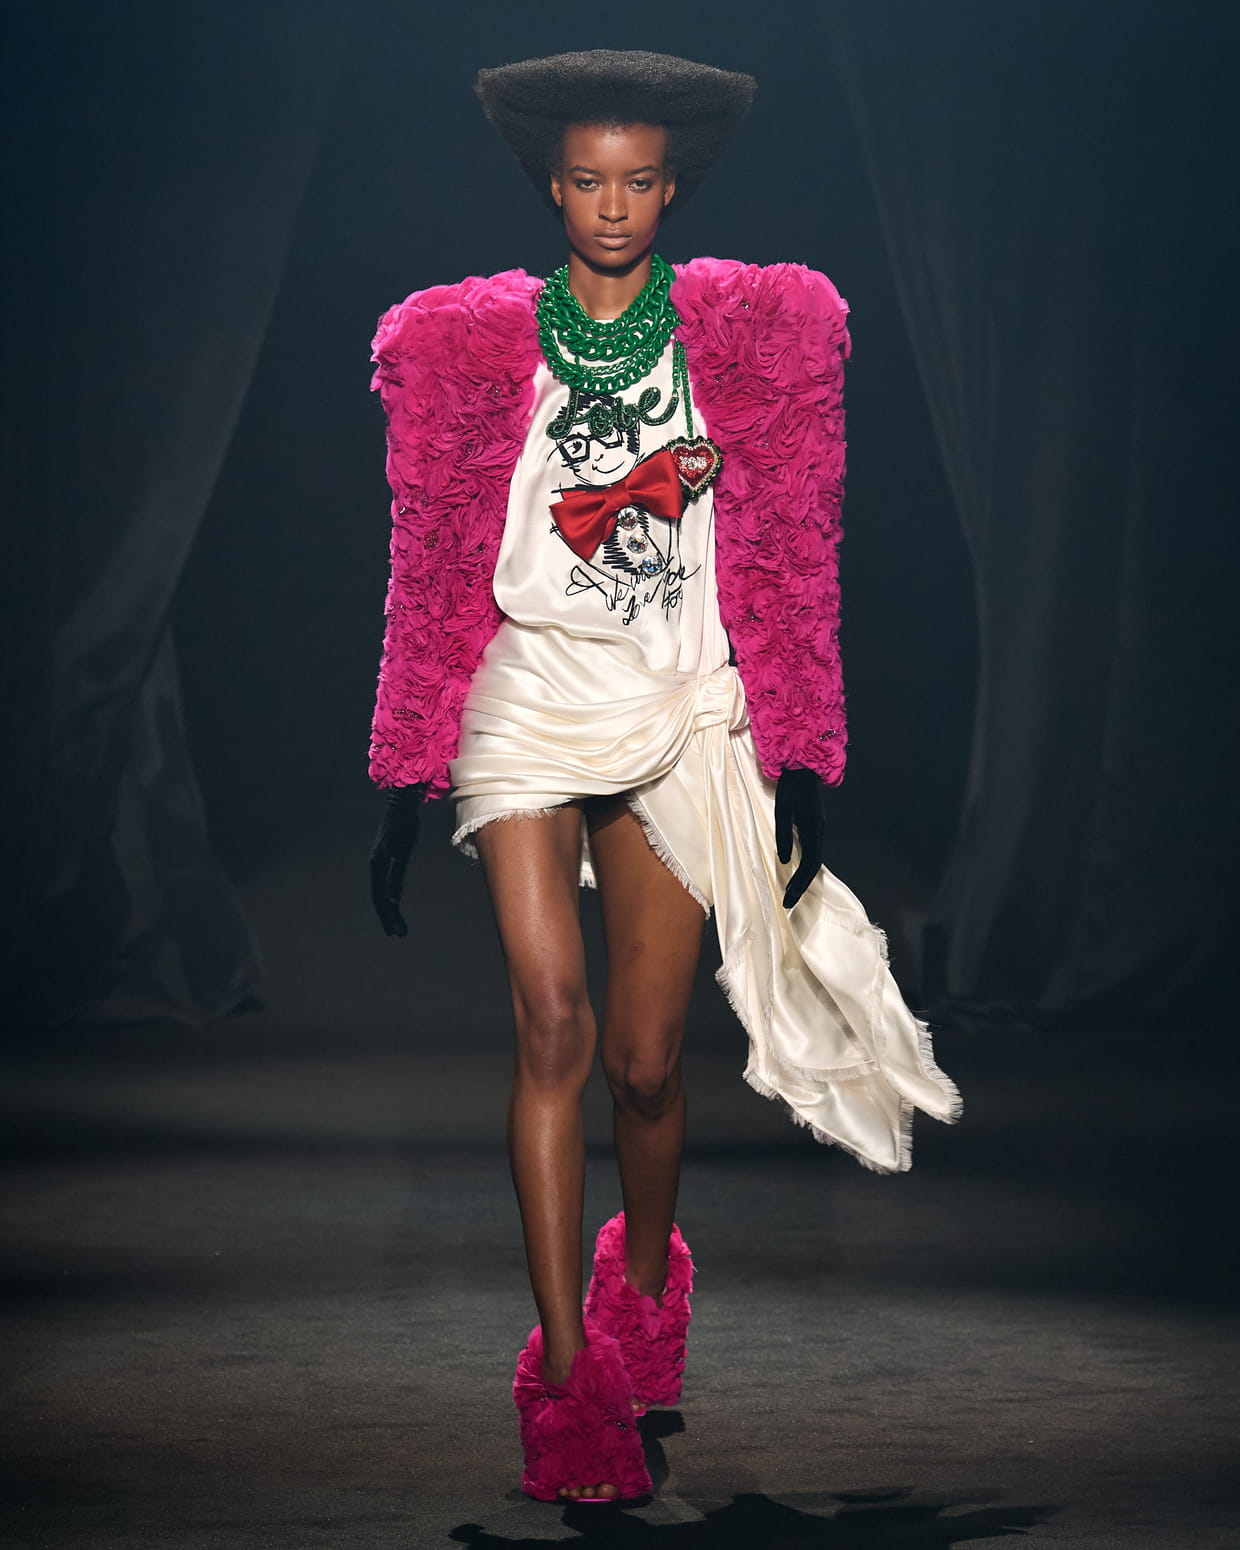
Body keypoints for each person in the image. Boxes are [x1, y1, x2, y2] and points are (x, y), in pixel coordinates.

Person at [366, 48, 961, 1504]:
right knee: (552, 1025)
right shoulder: (468, 347)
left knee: (642, 1062)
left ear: (672, 187)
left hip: (682, 702)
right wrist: (402, 768)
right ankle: (570, 1377)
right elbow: (430, 555)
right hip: (525, 695)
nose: (614, 206)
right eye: (587, 180)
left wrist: (802, 757)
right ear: (551, 186)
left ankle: (641, 1288)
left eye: (638, 181)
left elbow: (797, 549)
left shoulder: (752, 342)